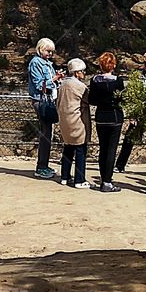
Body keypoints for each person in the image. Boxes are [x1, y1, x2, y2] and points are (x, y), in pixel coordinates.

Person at [115, 51, 146, 173]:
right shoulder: (138, 76)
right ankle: (120, 165)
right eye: (145, 63)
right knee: (129, 138)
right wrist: (132, 114)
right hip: (138, 111)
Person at [89, 52, 125, 193]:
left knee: (103, 149)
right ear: (113, 65)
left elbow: (92, 100)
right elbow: (122, 98)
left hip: (101, 117)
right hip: (115, 117)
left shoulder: (95, 80)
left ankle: (104, 178)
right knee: (111, 150)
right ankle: (107, 181)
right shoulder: (118, 81)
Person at [28, 37, 63, 180]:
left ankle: (44, 164)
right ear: (41, 49)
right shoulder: (35, 63)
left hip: (48, 99)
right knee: (45, 133)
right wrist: (54, 79)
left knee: (48, 133)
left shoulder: (47, 63)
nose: (50, 54)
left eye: (51, 52)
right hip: (41, 100)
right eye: (48, 51)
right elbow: (38, 84)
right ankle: (41, 167)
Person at [57, 58, 92, 189]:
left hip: (65, 121)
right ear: (77, 72)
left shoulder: (63, 84)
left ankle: (64, 177)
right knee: (80, 150)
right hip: (77, 121)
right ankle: (79, 179)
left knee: (68, 148)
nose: (84, 74)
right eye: (83, 71)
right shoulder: (79, 86)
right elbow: (89, 99)